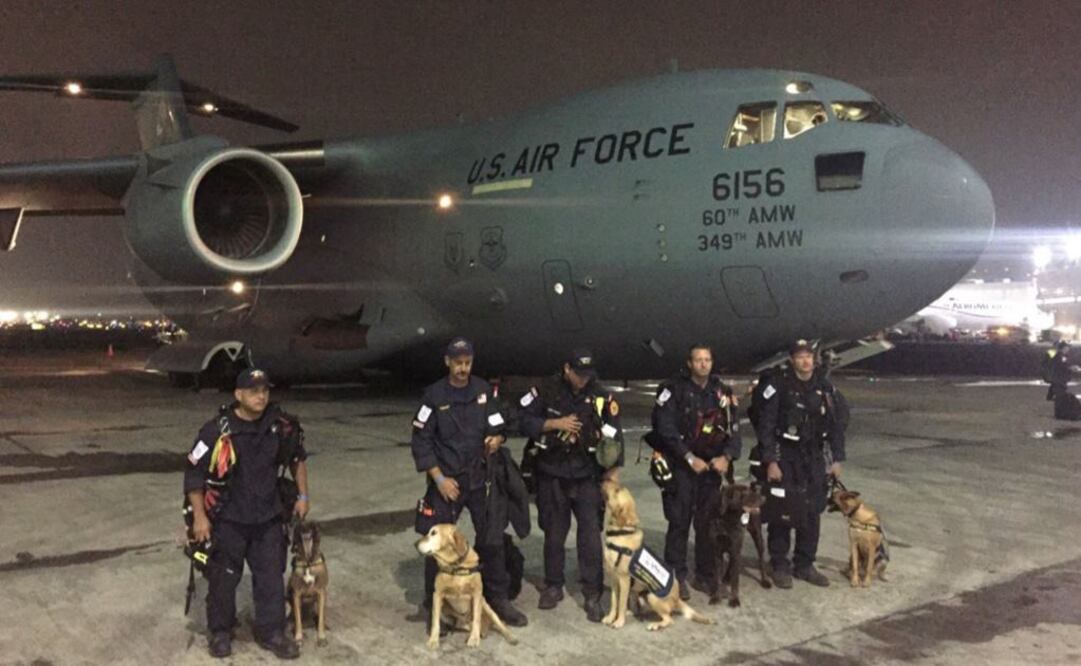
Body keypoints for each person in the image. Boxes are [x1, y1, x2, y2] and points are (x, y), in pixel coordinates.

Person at [184, 368, 308, 660]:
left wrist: (303, 496)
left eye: (265, 390)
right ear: (238, 395)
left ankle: (272, 632)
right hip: (228, 520)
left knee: (271, 578)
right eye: (254, 391)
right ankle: (220, 631)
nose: (261, 396)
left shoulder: (280, 426)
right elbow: (193, 474)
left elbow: (297, 458)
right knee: (223, 579)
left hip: (268, 518)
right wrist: (200, 517)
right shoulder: (216, 430)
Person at [411, 337, 527, 628]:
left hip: (480, 478)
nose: (463, 368)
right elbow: (421, 441)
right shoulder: (433, 396)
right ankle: (433, 603)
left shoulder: (483, 391)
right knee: (437, 543)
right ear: (447, 362)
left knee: (492, 539)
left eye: (467, 363)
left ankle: (497, 598)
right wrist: (439, 480)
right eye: (458, 363)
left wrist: (497, 439)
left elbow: (499, 424)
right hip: (447, 481)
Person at [518, 348, 623, 622]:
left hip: (587, 475)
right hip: (552, 473)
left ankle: (592, 592)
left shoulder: (601, 396)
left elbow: (615, 434)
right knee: (554, 534)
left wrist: (612, 473)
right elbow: (523, 420)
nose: (583, 379)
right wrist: (553, 423)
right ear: (567, 369)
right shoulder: (546, 390)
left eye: (587, 374)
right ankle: (553, 585)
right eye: (579, 374)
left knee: (590, 536)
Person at [651, 344, 742, 600]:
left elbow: (734, 430)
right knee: (679, 522)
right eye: (698, 360)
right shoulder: (673, 389)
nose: (703, 364)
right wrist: (688, 457)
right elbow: (664, 428)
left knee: (707, 524)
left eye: (707, 359)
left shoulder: (722, 392)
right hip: (681, 466)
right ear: (689, 363)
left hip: (711, 470)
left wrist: (727, 457)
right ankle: (676, 576)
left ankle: (705, 574)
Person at [752, 340, 846, 589]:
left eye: (809, 357)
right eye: (800, 357)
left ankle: (805, 564)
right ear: (792, 360)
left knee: (812, 511)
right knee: (782, 510)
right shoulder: (779, 386)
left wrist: (836, 458)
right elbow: (766, 425)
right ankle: (779, 564)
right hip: (786, 455)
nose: (805, 361)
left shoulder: (825, 387)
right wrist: (771, 461)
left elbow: (837, 424)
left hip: (813, 457)